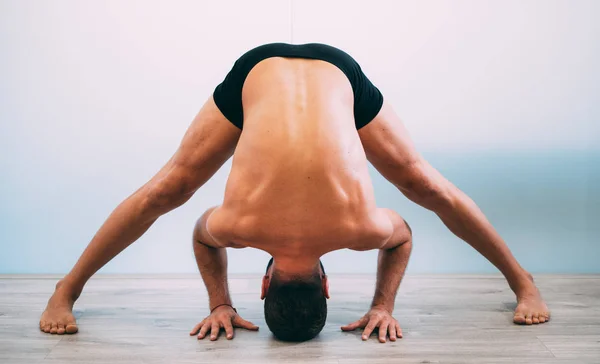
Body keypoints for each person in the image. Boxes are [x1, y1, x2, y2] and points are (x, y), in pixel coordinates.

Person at [40, 43, 549, 342]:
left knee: (423, 184)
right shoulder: (237, 229)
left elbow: (401, 236)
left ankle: (67, 288)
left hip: (334, 74)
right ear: (263, 287)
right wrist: (220, 303)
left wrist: (383, 305)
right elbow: (202, 236)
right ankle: (522, 282)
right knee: (424, 185)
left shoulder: (362, 231)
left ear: (326, 287)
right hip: (259, 74)